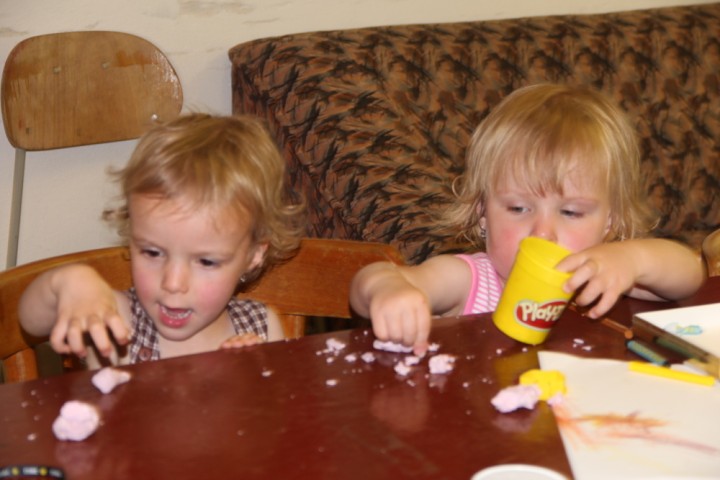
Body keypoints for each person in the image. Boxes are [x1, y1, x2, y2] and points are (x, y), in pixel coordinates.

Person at [349, 83, 705, 355]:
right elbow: (374, 278)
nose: (542, 233)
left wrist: (632, 259)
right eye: (518, 208)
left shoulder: (603, 279)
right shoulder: (468, 281)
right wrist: (387, 289)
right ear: (482, 213)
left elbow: (691, 275)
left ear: (609, 222)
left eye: (571, 212)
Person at [19, 113, 305, 367]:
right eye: (153, 253)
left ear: (254, 255)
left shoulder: (263, 327)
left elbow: (277, 408)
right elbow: (31, 322)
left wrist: (252, 382)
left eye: (206, 261)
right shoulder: (116, 321)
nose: (173, 282)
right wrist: (70, 282)